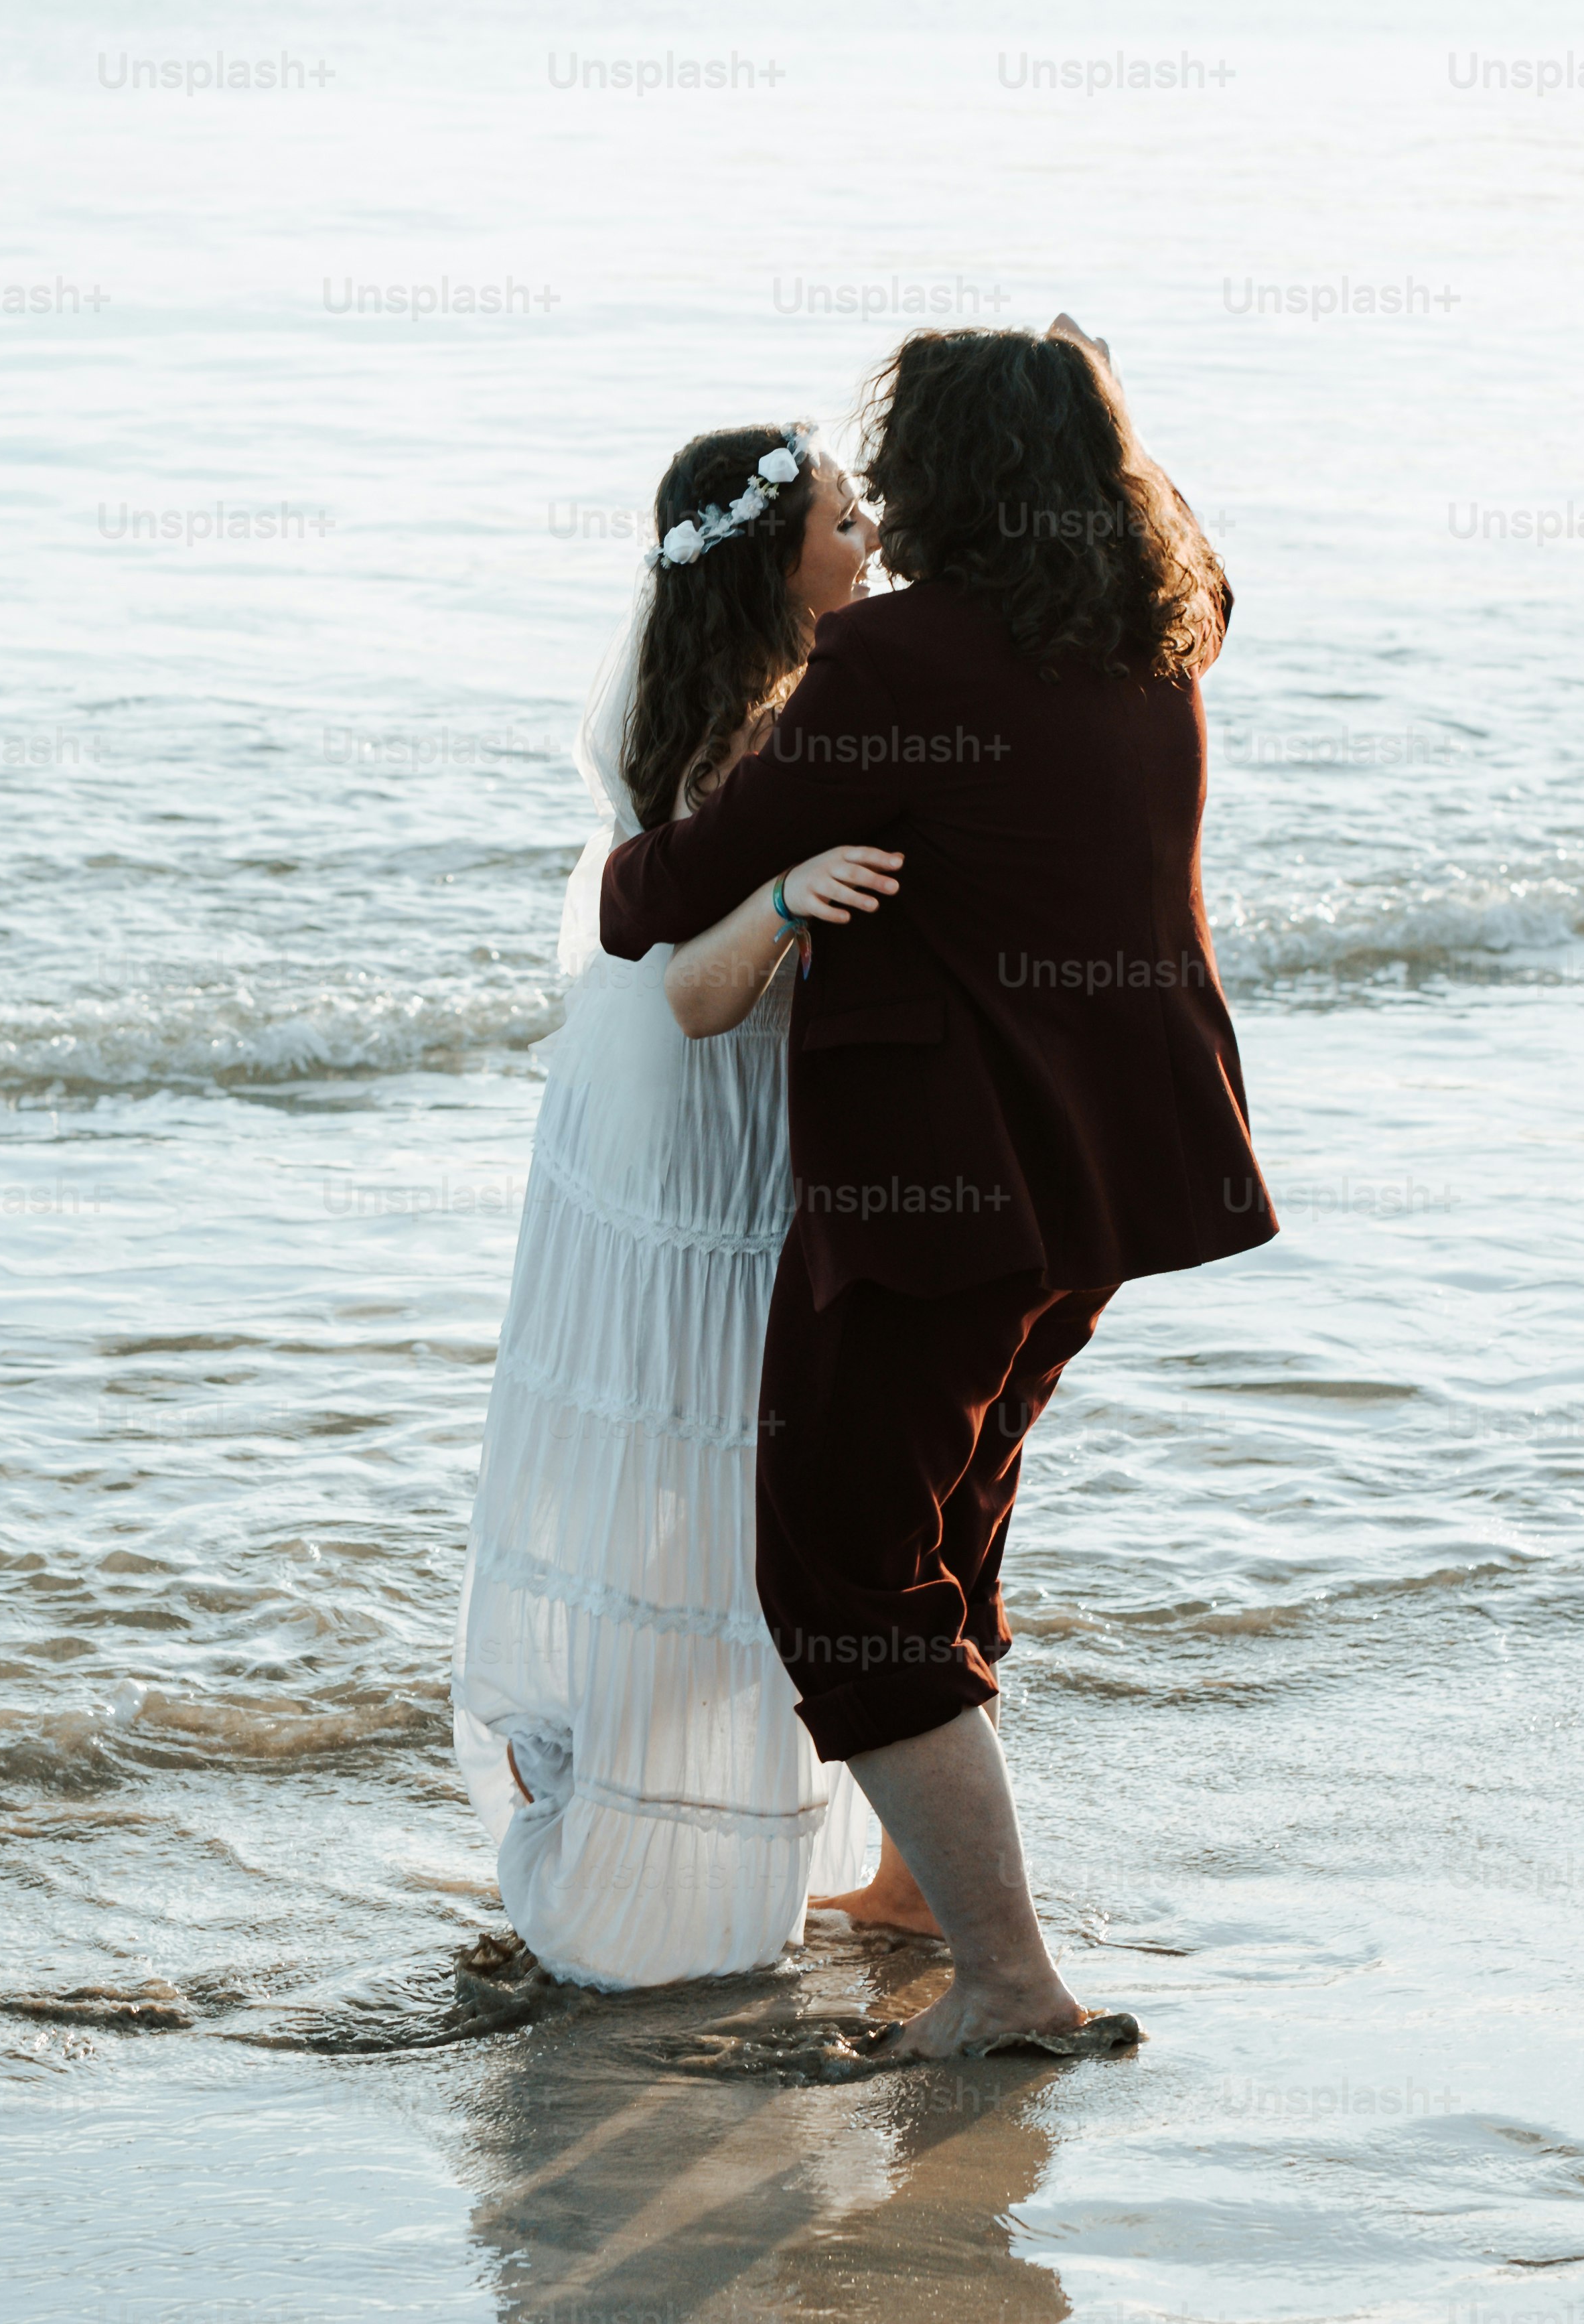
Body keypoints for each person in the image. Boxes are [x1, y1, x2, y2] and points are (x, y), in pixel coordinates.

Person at [595, 318, 1275, 2061]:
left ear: (949, 476)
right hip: (1109, 1185)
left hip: (946, 1193)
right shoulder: (1152, 641)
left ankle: (1012, 1982)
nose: (878, 496)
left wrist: (636, 860)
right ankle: (924, 1904)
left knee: (836, 1566)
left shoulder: (901, 665)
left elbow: (659, 893)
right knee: (950, 1521)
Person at [449, 419, 915, 1986]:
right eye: (848, 525)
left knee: (706, 1461)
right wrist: (792, 900)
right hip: (699, 1121)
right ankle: (656, 1835)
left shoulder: (763, 705)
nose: (873, 545)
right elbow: (712, 981)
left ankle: (728, 1816)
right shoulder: (751, 744)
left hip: (688, 1101)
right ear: (777, 567)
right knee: (698, 1457)